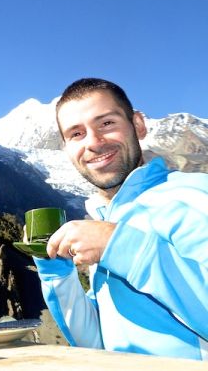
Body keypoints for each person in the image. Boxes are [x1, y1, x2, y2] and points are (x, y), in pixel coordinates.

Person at [34, 78, 207, 361]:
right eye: (76, 134)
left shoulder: (194, 194)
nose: (93, 142)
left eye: (106, 124)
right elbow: (98, 343)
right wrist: (59, 277)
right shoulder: (107, 218)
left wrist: (119, 246)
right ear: (66, 147)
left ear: (138, 125)